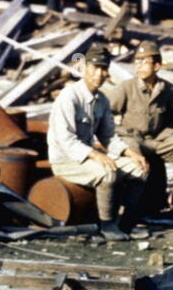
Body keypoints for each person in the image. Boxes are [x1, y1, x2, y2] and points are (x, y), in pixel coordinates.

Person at [47, 43, 149, 241]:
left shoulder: (101, 99)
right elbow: (66, 140)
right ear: (84, 68)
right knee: (107, 172)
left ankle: (126, 224)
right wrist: (95, 155)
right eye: (95, 68)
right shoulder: (69, 96)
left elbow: (108, 136)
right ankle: (107, 225)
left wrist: (132, 154)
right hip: (66, 161)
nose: (100, 74)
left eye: (104, 69)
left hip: (86, 157)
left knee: (139, 169)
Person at [104, 40, 173, 219]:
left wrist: (168, 135)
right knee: (136, 153)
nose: (139, 66)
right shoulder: (127, 87)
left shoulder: (165, 88)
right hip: (132, 137)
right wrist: (118, 133)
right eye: (137, 61)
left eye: (144, 61)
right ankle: (132, 206)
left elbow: (171, 116)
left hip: (157, 139)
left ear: (157, 65)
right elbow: (105, 113)